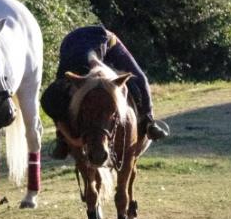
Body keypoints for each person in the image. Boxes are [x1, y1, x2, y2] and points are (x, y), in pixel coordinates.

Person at [41, 25, 169, 160]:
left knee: (139, 78)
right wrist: (68, 135)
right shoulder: (63, 76)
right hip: (70, 43)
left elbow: (97, 65)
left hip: (105, 41)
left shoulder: (93, 54)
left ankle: (149, 122)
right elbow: (54, 102)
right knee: (60, 96)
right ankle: (61, 138)